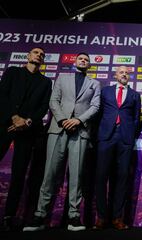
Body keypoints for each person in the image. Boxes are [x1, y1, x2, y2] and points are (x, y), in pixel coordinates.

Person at [23, 52, 101, 231]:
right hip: (58, 129)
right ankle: (40, 216)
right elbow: (53, 101)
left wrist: (78, 120)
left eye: (86, 60)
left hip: (80, 132)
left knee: (77, 176)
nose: (83, 60)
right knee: (49, 173)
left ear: (89, 65)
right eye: (81, 58)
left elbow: (95, 106)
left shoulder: (95, 83)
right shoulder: (62, 77)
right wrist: (62, 119)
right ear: (75, 62)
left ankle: (74, 217)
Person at [0, 47, 52, 230]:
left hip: (28, 131)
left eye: (42, 54)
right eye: (36, 52)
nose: (39, 55)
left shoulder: (46, 82)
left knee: (19, 174)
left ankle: (9, 216)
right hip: (5, 124)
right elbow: (2, 95)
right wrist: (14, 117)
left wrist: (27, 121)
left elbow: (44, 107)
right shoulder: (13, 72)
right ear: (28, 56)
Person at [94, 65, 141, 230]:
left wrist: (128, 134)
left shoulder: (135, 94)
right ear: (115, 75)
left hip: (125, 140)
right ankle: (101, 217)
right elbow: (98, 114)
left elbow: (136, 119)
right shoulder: (105, 91)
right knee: (101, 177)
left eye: (127, 73)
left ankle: (117, 218)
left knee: (122, 178)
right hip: (106, 137)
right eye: (121, 72)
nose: (124, 75)